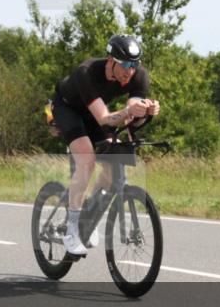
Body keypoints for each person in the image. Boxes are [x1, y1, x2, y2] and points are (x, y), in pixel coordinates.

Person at [50, 35, 161, 256]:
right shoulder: (87, 72)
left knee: (114, 160)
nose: (130, 71)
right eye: (125, 65)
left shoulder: (139, 76)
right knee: (87, 160)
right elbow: (104, 118)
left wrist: (144, 110)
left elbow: (131, 109)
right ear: (110, 60)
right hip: (67, 109)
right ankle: (72, 229)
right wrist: (128, 112)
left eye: (135, 65)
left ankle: (89, 215)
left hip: (94, 113)